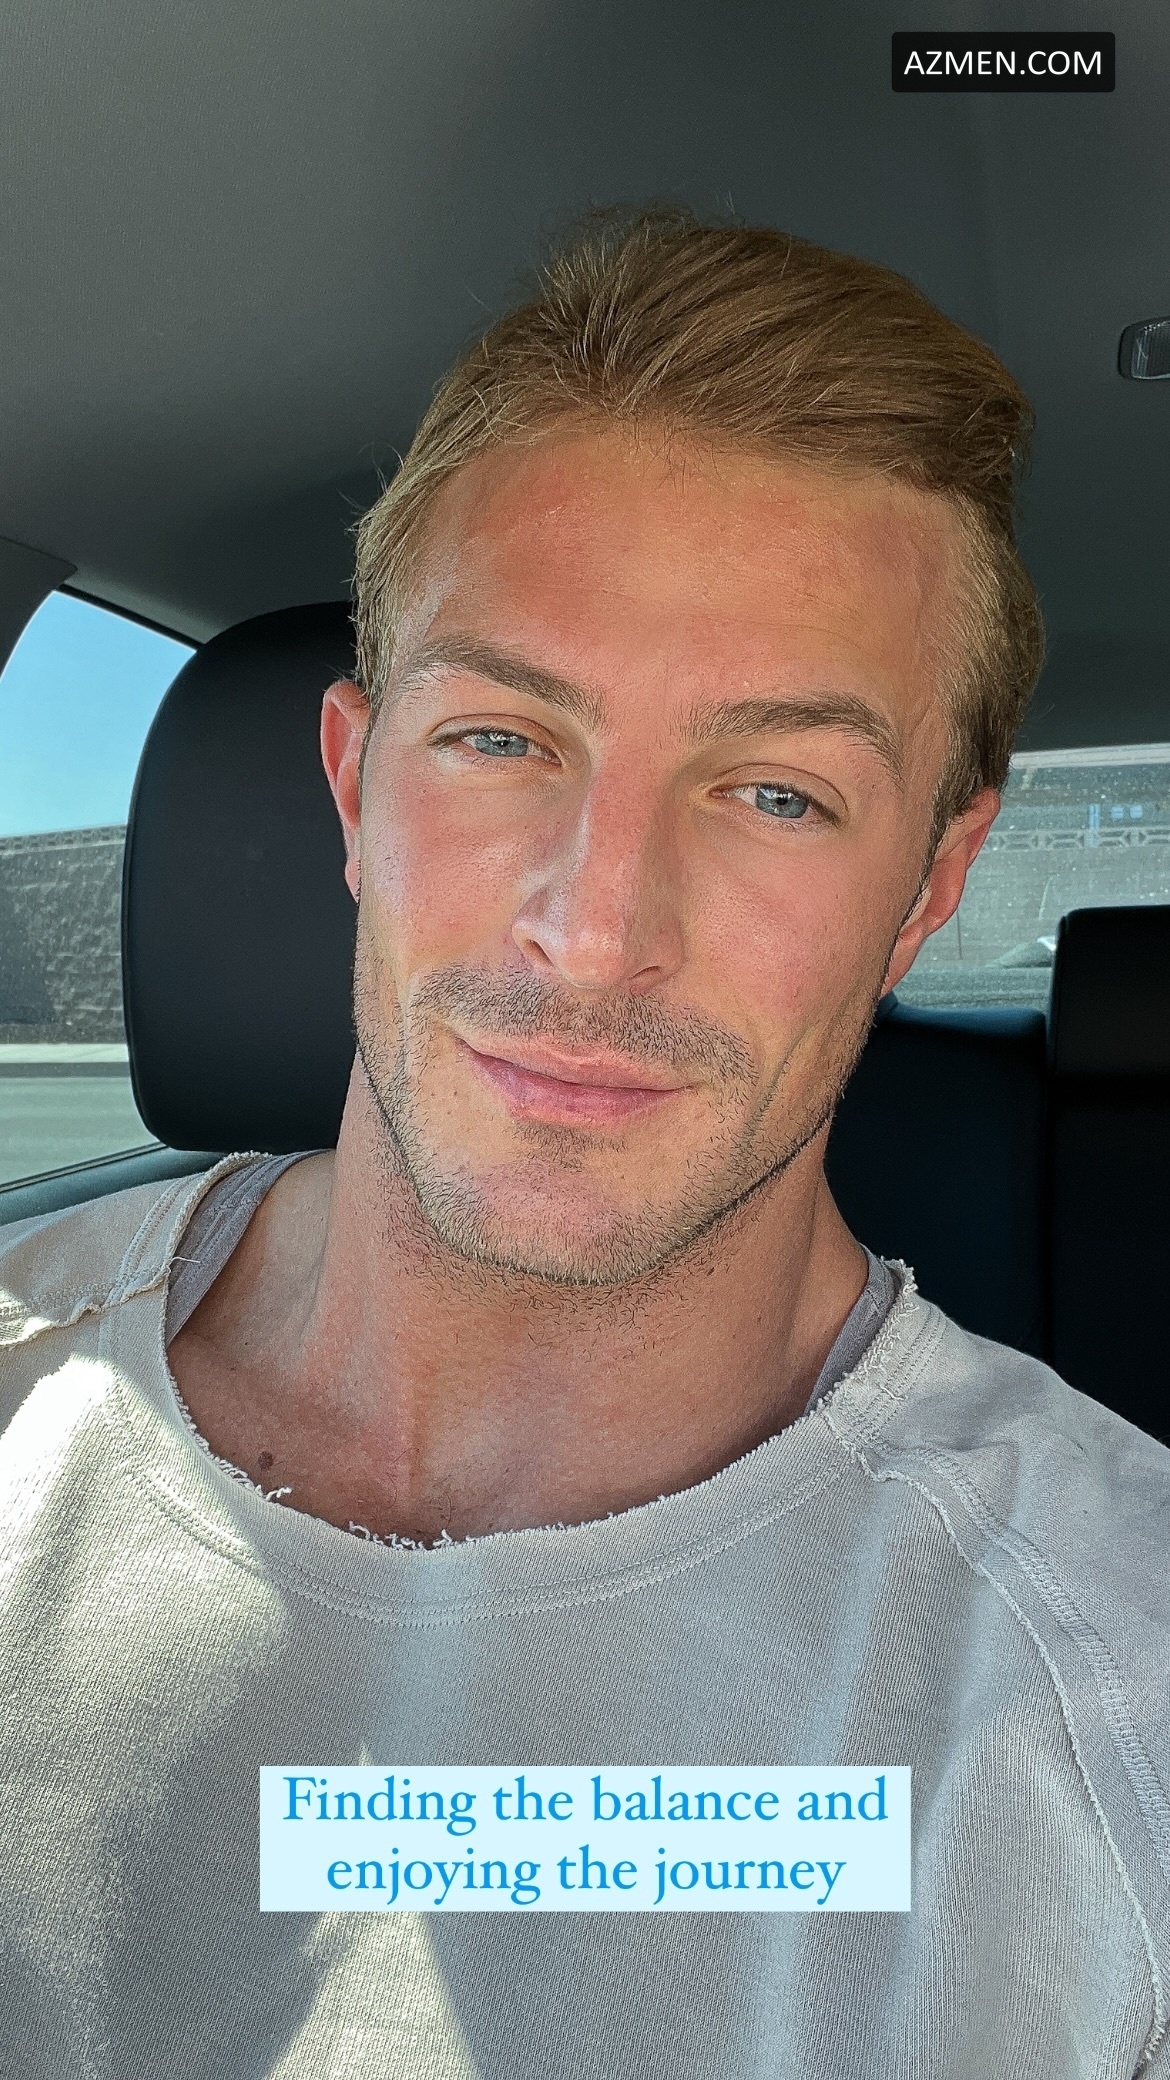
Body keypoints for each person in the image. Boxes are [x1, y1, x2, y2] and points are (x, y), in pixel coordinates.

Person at [2, 209, 1168, 2080]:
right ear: (352, 787)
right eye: (500, 740)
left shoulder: (1117, 1672)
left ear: (931, 882)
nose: (596, 927)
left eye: (775, 791)